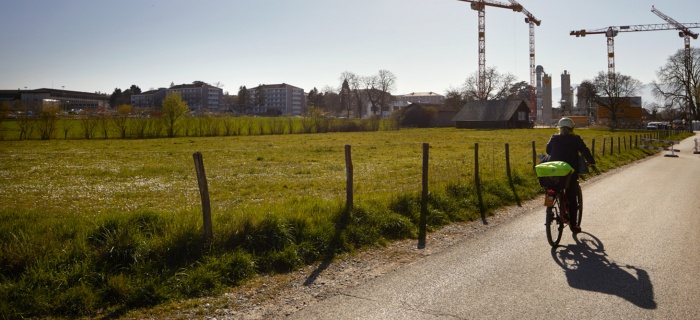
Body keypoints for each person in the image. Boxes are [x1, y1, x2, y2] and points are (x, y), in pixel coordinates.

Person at [545, 117, 595, 233]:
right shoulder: (576, 139)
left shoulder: (554, 138)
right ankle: (573, 225)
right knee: (572, 196)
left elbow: (548, 151)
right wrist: (591, 161)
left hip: (555, 170)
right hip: (570, 171)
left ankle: (548, 210)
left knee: (551, 189)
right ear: (572, 128)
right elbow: (585, 150)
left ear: (559, 127)